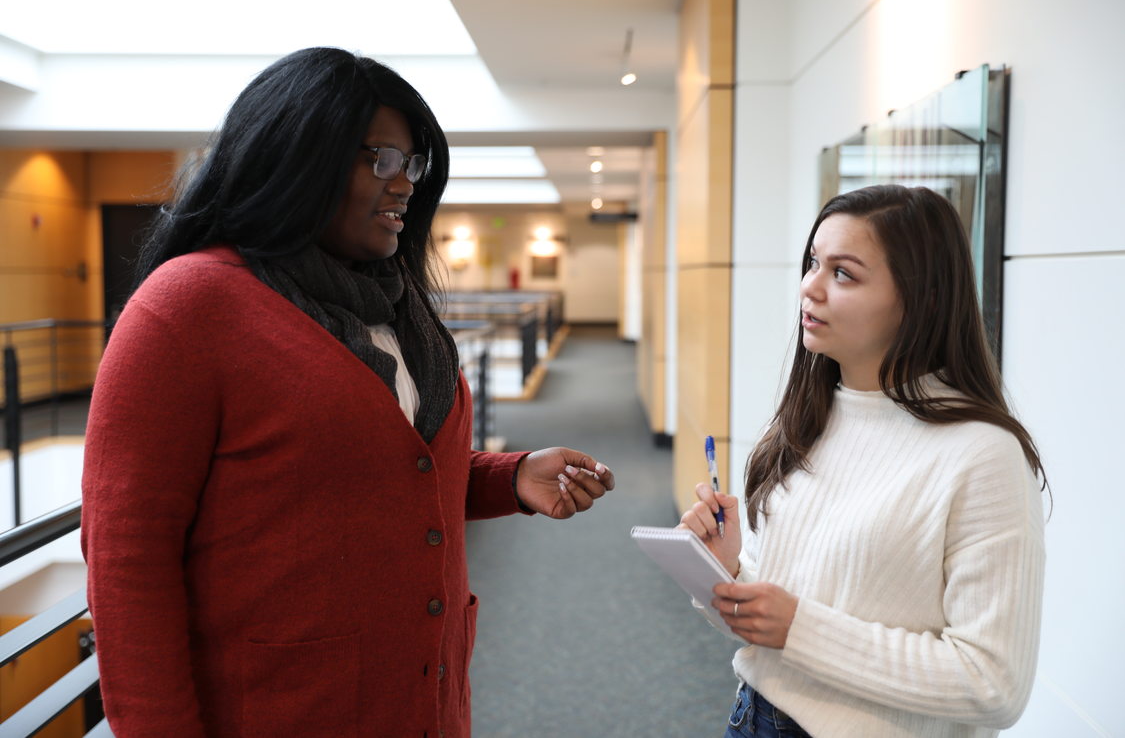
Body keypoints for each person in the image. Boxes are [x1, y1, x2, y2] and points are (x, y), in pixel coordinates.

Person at [80, 47, 615, 738]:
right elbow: (129, 565)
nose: (405, 186)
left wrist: (506, 478)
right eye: (381, 160)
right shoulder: (188, 307)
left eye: (413, 165)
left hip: (423, 702)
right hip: (286, 710)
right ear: (299, 156)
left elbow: (376, 472)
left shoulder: (397, 306)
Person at [679, 185, 1047, 737]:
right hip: (753, 717)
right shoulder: (806, 419)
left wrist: (798, 629)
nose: (810, 287)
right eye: (813, 264)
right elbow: (785, 614)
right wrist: (727, 571)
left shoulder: (982, 454)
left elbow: (994, 683)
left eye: (843, 273)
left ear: (919, 299)